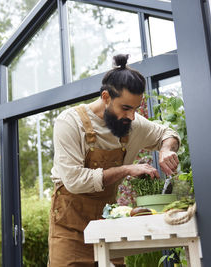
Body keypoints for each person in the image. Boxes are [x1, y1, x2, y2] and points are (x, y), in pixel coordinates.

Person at [48, 54, 180, 267]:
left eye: (136, 109)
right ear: (106, 97)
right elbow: (74, 180)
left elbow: (168, 133)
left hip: (107, 222)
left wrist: (165, 149)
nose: (131, 116)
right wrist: (126, 169)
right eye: (125, 108)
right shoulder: (70, 122)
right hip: (69, 225)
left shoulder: (133, 124)